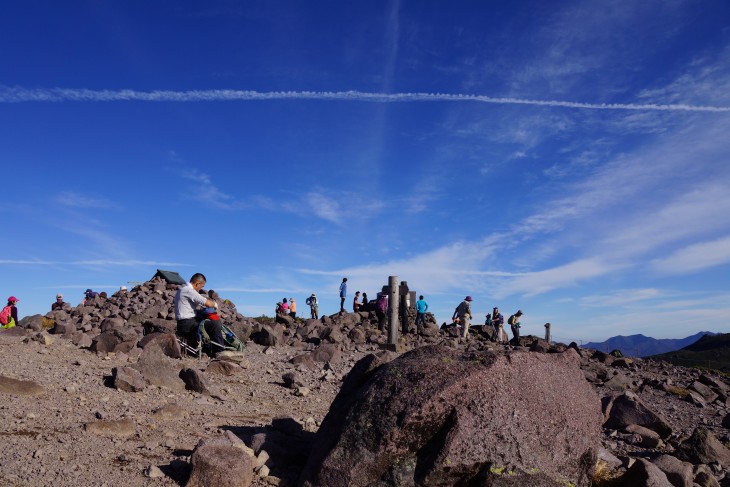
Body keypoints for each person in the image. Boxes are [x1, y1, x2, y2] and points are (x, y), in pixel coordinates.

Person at [174, 273, 223, 352]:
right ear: (197, 284)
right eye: (202, 286)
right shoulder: (189, 291)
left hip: (183, 323)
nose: (200, 288)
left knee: (204, 314)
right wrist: (215, 304)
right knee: (215, 324)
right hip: (187, 326)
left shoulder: (182, 289)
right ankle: (219, 351)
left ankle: (208, 346)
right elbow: (208, 303)